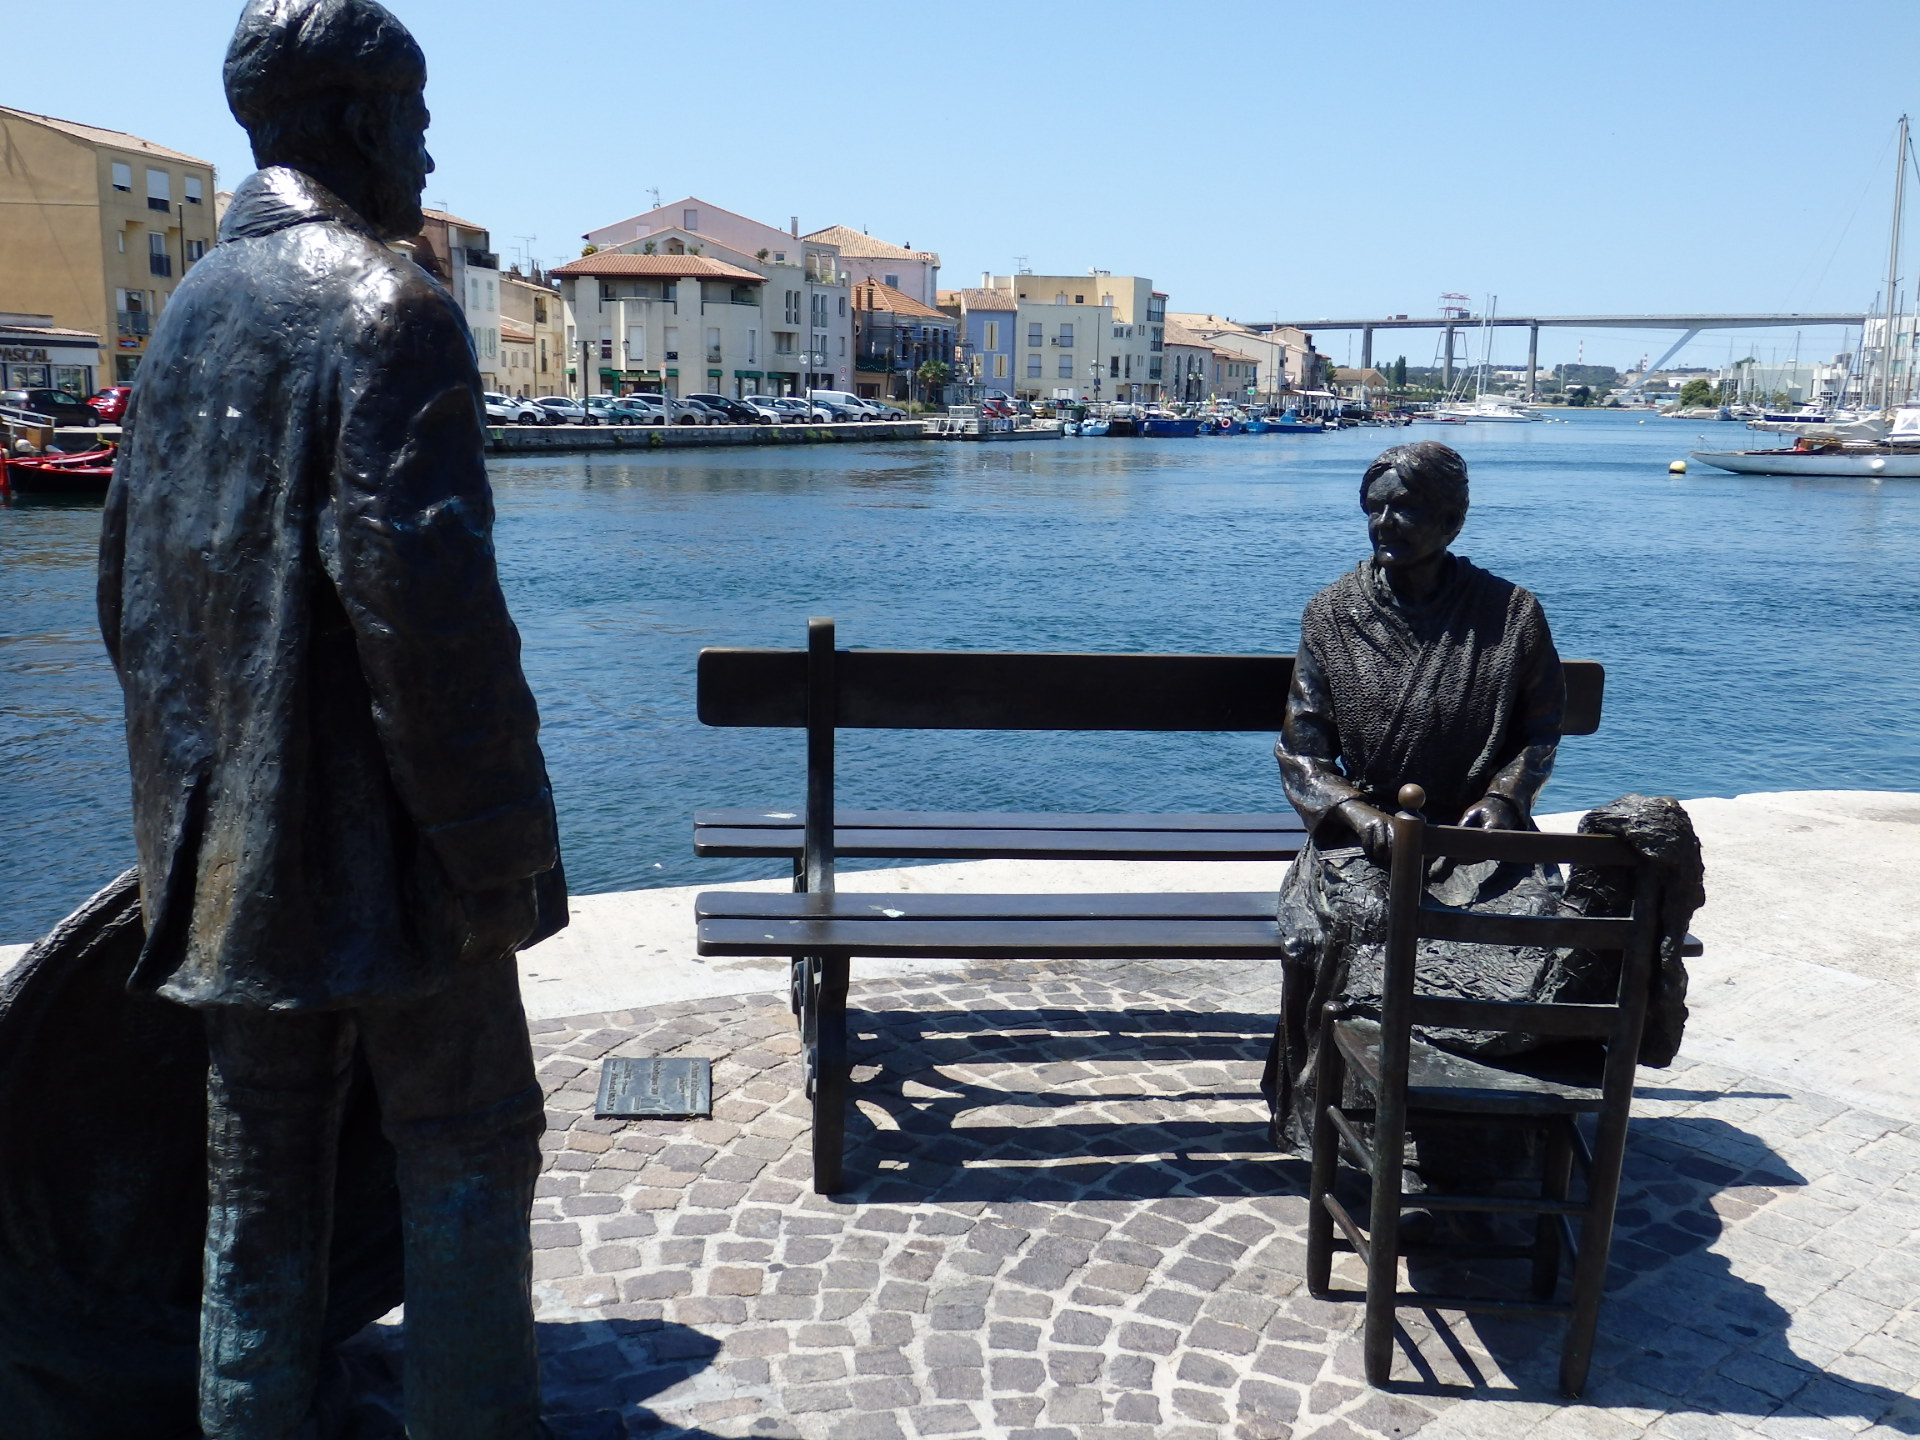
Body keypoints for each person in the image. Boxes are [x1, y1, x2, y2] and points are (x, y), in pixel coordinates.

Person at [97, 1, 562, 1435]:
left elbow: (126, 597)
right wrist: (501, 859)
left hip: (232, 863)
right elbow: (432, 632)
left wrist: (202, 809)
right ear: (362, 122)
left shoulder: (183, 319)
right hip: (395, 865)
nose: (427, 150)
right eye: (415, 120)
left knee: (260, 1168)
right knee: (472, 1140)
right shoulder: (390, 306)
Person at [1262, 441, 1567, 1150]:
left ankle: (1484, 1115)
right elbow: (1301, 749)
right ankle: (1336, 1112)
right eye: (1377, 508)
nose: (1387, 522)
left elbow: (1541, 731)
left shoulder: (1512, 615)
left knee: (1527, 928)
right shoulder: (1332, 615)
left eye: (1407, 507)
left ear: (1452, 519)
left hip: (1476, 839)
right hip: (1364, 839)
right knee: (1351, 923)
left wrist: (1504, 797)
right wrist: (1358, 815)